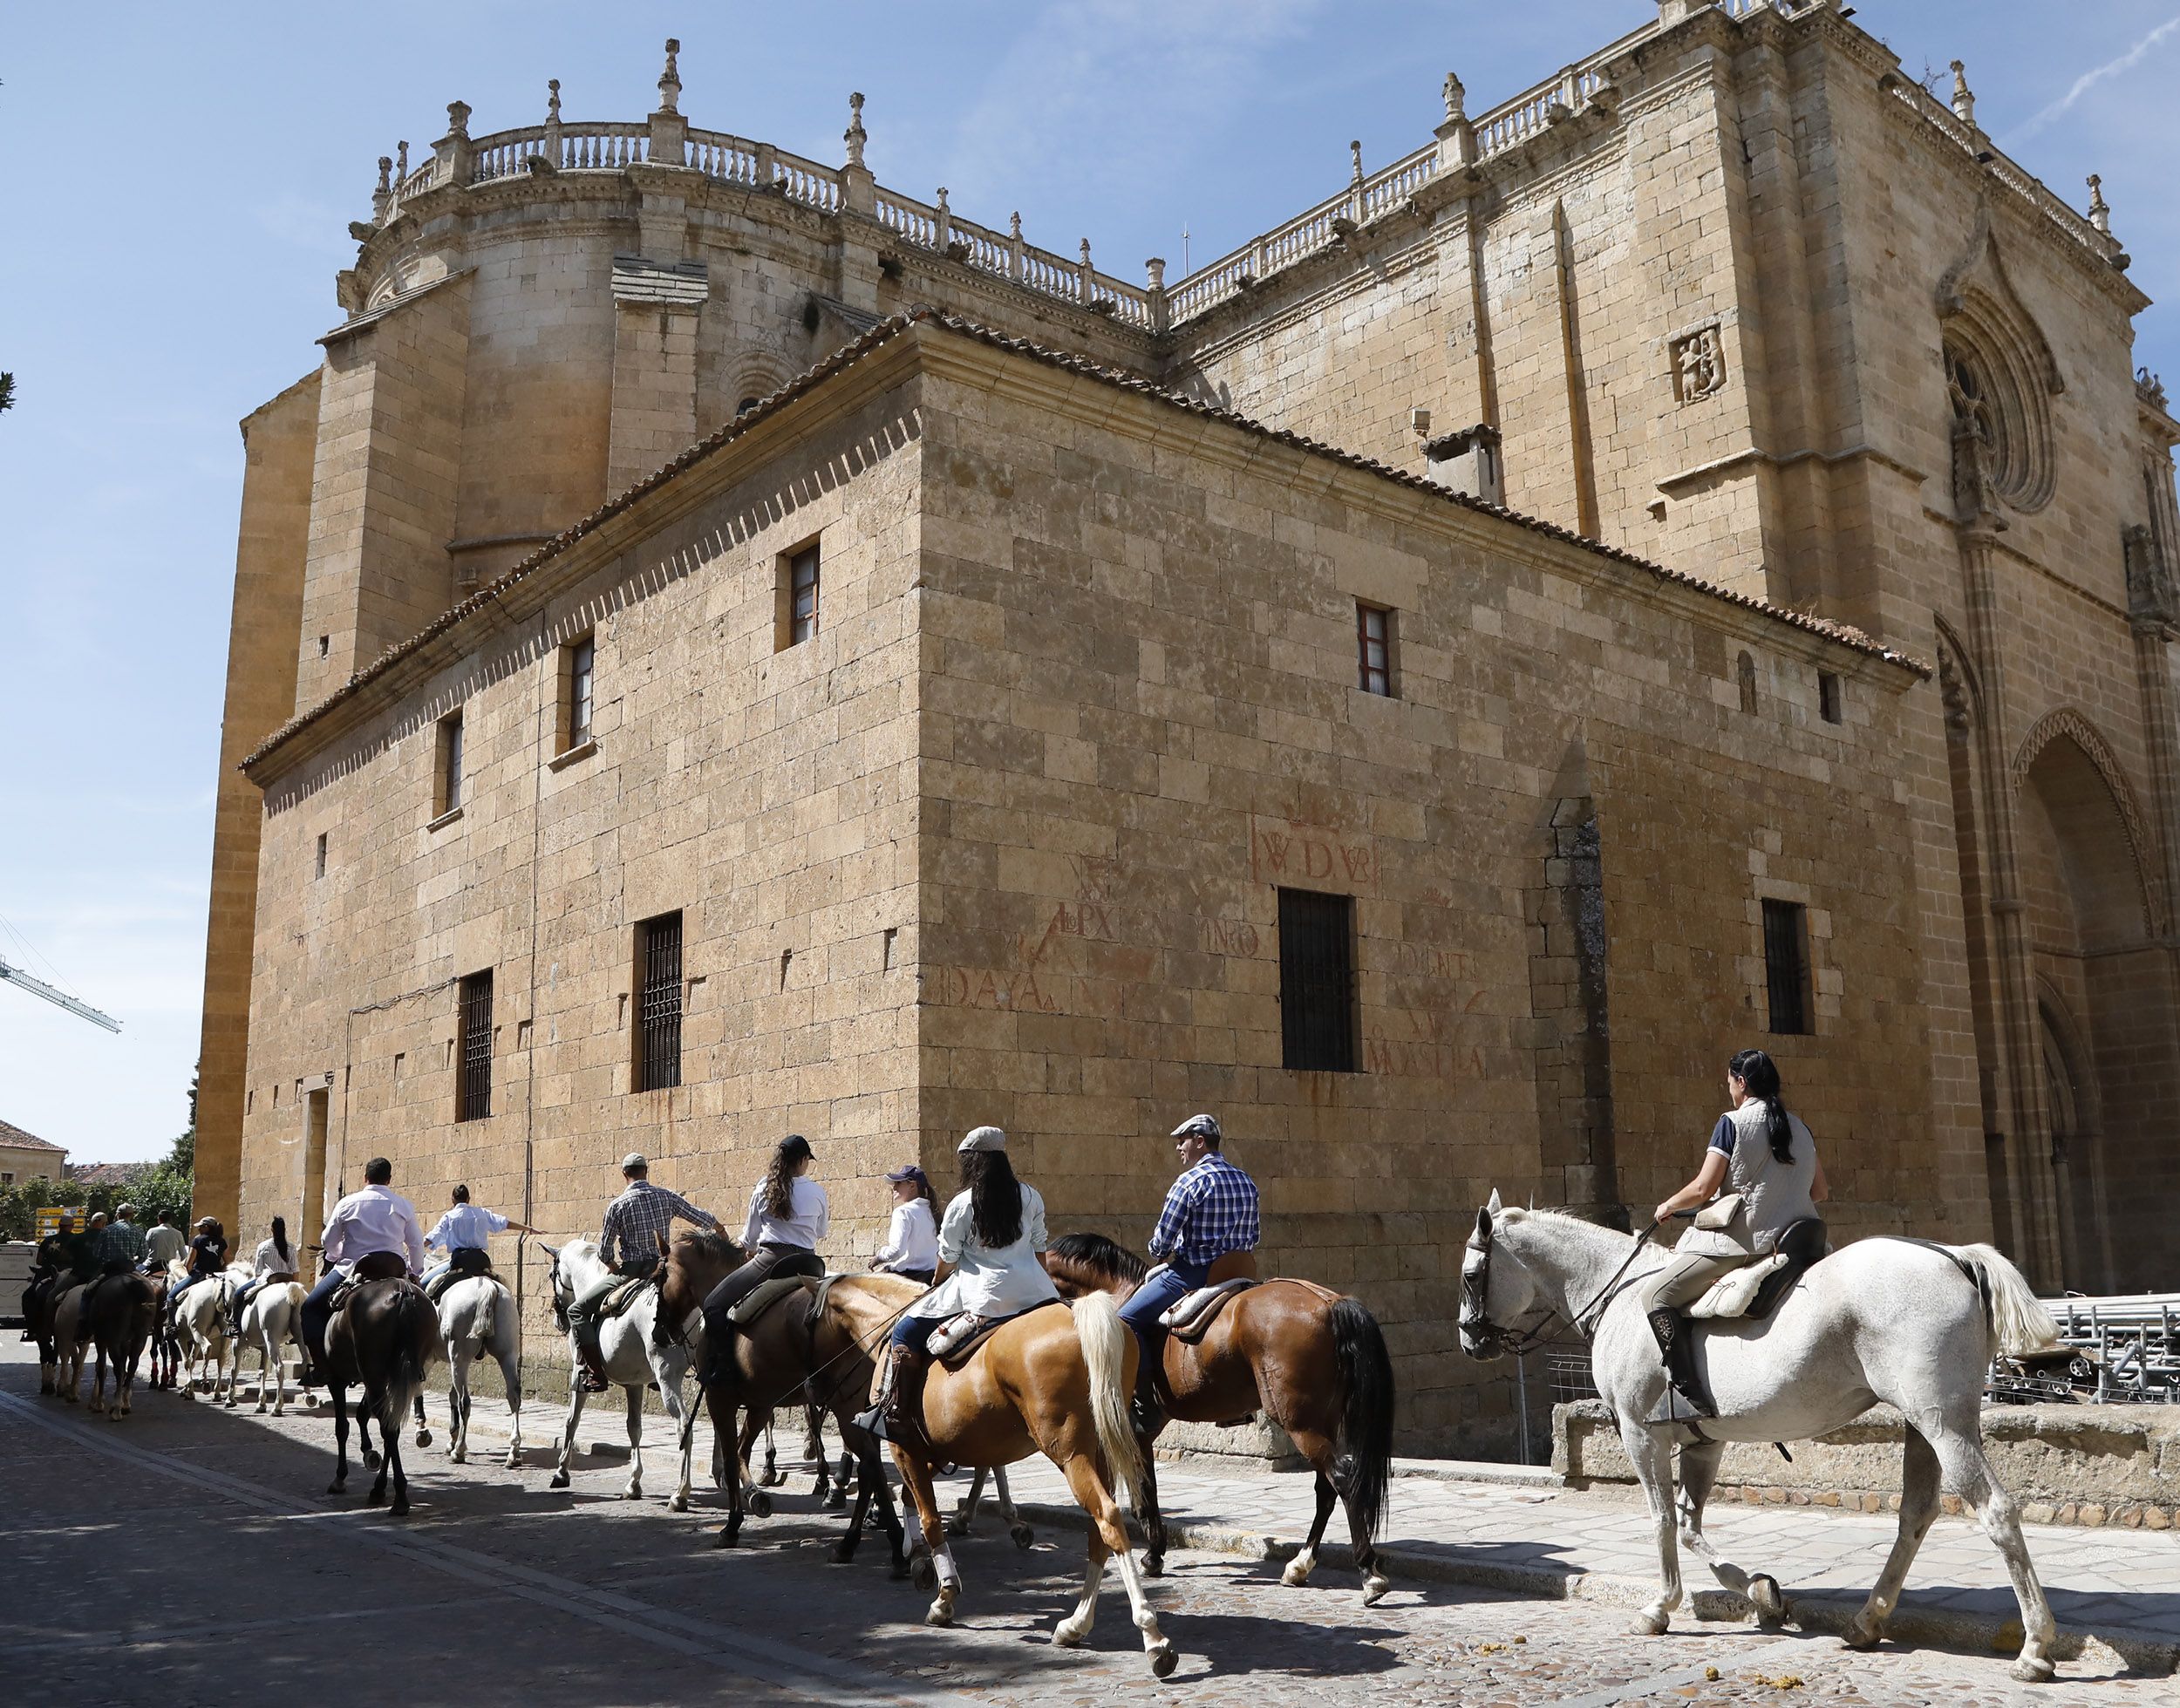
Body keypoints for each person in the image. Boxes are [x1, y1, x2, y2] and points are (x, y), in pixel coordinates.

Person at [1638, 1047, 1829, 1422]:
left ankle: (1688, 1395)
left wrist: (1668, 1206)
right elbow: (1820, 1192)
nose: (1729, 1091)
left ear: (1742, 1083)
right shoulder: (1800, 1127)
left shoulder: (1732, 1122)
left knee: (1655, 1295)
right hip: (1799, 1238)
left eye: (1730, 1083)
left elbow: (1703, 1188)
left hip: (1748, 1244)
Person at [869, 1126, 1059, 1451]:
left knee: (904, 1331)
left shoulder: (963, 1203)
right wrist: (1040, 1287)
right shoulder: (1030, 1195)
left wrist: (936, 1283)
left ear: (973, 1162)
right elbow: (1040, 1247)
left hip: (984, 1297)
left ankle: (894, 1415)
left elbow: (948, 1257)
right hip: (1036, 1292)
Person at [1116, 1113, 1261, 1424]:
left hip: (1192, 1273)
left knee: (1124, 1320)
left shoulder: (1190, 1181)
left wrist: (1157, 1248)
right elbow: (1255, 1236)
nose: (1178, 1148)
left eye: (1181, 1141)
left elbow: (1162, 1243)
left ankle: (1143, 1403)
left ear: (1199, 1141)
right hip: (1238, 1272)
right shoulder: (1246, 1180)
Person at [568, 1153, 718, 1392]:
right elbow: (700, 1217)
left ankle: (596, 1374)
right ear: (646, 1171)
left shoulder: (617, 1205)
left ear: (624, 1174)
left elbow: (605, 1252)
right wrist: (719, 1228)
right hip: (663, 1271)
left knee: (576, 1310)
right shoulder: (666, 1196)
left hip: (631, 1271)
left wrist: (614, 1269)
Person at [698, 1135, 830, 1385]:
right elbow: (821, 1232)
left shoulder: (764, 1188)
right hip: (810, 1263)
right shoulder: (817, 1191)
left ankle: (724, 1368)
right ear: (803, 1160)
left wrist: (748, 1250)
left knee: (714, 1304)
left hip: (772, 1261)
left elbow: (749, 1239)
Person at [298, 1158, 426, 1379]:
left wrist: (336, 1255)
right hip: (394, 1270)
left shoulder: (348, 1203)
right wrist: (415, 1271)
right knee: (424, 1311)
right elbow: (415, 1243)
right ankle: (417, 1364)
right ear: (389, 1179)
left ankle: (320, 1367)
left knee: (310, 1308)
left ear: (365, 1177)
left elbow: (328, 1240)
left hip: (353, 1268)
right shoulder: (403, 1205)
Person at [419, 1184, 535, 1293]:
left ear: (453, 1199)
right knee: (505, 1288)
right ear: (468, 1199)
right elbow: (504, 1223)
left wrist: (415, 1246)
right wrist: (529, 1229)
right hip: (482, 1261)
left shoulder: (449, 1217)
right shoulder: (482, 1213)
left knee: (424, 1283)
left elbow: (433, 1237)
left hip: (459, 1261)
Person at [228, 1217, 300, 1337]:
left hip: (267, 1280)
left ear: (272, 1229)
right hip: (287, 1281)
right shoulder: (291, 1247)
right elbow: (295, 1271)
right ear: (284, 1229)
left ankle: (235, 1326)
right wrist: (296, 1286)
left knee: (238, 1294)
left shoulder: (263, 1246)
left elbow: (258, 1271)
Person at [871, 1163, 939, 1284]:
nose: (894, 1187)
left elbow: (896, 1251)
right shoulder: (932, 1211)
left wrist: (879, 1257)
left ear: (912, 1185)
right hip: (931, 1276)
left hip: (909, 1277)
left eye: (898, 1183)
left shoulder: (903, 1212)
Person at [164, 1217, 230, 1330]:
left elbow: (188, 1263)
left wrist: (190, 1274)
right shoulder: (221, 1241)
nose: (198, 1229)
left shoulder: (198, 1240)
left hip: (199, 1274)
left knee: (171, 1296)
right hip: (216, 1275)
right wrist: (219, 1272)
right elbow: (228, 1261)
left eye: (200, 1227)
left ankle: (172, 1325)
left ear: (206, 1227)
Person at [92, 1204, 146, 1276]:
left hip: (109, 1269)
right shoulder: (139, 1231)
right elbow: (144, 1255)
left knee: (91, 1286)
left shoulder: (106, 1230)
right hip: (129, 1269)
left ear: (118, 1215)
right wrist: (134, 1261)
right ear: (132, 1215)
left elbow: (97, 1253)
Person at [141, 1209, 187, 1276]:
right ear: (170, 1220)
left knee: (135, 1275)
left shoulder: (152, 1231)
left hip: (152, 1264)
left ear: (159, 1219)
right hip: (170, 1266)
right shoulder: (178, 1233)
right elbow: (183, 1255)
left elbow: (144, 1250)